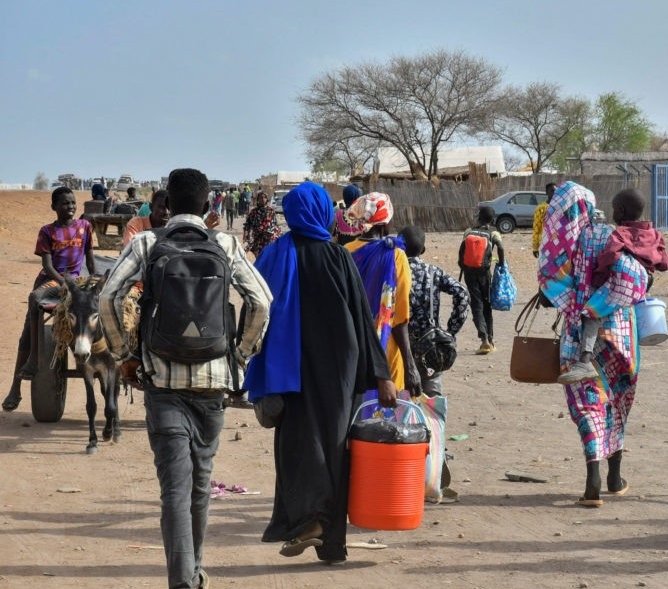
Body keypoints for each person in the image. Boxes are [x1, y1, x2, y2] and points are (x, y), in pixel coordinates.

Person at [98, 168, 272, 588]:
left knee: (174, 488)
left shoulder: (146, 242)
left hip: (163, 383)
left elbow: (108, 297)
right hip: (213, 382)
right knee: (200, 481)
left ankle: (185, 578)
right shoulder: (226, 244)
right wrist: (241, 355)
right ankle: (191, 574)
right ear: (209, 205)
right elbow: (262, 302)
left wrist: (126, 353)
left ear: (167, 205)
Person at [244, 182, 394, 563]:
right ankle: (331, 543)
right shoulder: (338, 257)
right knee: (336, 448)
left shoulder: (274, 255)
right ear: (323, 213)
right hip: (338, 370)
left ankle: (306, 521)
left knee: (297, 445)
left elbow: (253, 311)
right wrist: (382, 374)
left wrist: (247, 361)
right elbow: (364, 318)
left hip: (288, 371)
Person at [537, 182, 648, 507]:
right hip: (622, 334)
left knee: (588, 405)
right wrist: (610, 300)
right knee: (616, 401)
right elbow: (638, 278)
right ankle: (615, 477)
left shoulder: (573, 243)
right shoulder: (619, 237)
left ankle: (593, 483)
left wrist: (578, 304)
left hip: (577, 335)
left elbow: (551, 285)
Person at [559, 188, 668, 383]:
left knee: (591, 312)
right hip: (643, 281)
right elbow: (665, 262)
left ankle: (584, 361)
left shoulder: (620, 233)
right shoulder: (654, 234)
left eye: (613, 209)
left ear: (619, 210)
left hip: (623, 281)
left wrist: (598, 277)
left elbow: (610, 255)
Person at [3, 187, 96, 411]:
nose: (71, 207)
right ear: (54, 207)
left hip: (77, 282)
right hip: (52, 281)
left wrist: (92, 282)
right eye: (65, 203)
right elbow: (47, 266)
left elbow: (90, 262)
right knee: (34, 303)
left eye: (73, 203)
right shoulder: (47, 231)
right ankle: (26, 371)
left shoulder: (85, 227)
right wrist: (65, 284)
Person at [344, 192, 422, 396]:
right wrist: (410, 366)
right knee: (385, 422)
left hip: (351, 352)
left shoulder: (345, 252)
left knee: (354, 420)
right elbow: (399, 318)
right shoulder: (396, 255)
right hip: (385, 356)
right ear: (383, 224)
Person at [398, 225, 470, 397]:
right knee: (432, 402)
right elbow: (462, 294)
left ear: (399, 247)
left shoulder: (394, 271)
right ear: (423, 249)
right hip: (431, 345)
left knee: (404, 404)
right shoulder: (433, 272)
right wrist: (450, 331)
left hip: (400, 345)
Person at [459, 206, 505, 355]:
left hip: (469, 273)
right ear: (492, 219)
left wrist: (463, 266)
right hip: (484, 273)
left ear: (479, 217)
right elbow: (501, 248)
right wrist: (501, 264)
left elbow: (462, 251)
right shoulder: (493, 233)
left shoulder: (468, 231)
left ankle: (483, 339)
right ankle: (490, 341)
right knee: (487, 305)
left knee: (476, 305)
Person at [243, 190, 281, 260]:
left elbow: (275, 225)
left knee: (268, 258)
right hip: (257, 239)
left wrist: (277, 236)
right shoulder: (254, 212)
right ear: (258, 199)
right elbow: (248, 224)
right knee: (259, 258)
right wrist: (246, 234)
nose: (262, 199)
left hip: (268, 239)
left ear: (267, 199)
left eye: (264, 197)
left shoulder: (271, 211)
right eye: (261, 197)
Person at [532, 182, 556, 258]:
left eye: (556, 191)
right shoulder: (541, 208)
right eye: (552, 191)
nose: (554, 193)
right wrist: (535, 247)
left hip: (558, 243)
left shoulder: (560, 207)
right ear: (547, 192)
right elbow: (536, 228)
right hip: (545, 242)